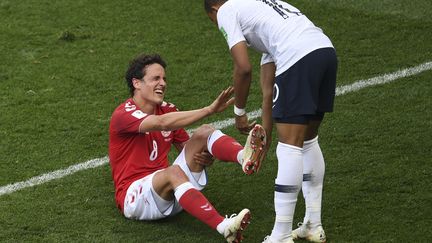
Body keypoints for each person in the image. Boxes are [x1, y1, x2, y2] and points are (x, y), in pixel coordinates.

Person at [204, 0, 338, 242]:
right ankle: (312, 224)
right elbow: (268, 91)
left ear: (213, 11)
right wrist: (264, 136)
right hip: (325, 53)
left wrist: (239, 112)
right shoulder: (264, 16)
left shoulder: (224, 9)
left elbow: (242, 68)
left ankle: (281, 235)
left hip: (299, 56)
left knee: (289, 148)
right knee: (307, 141)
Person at [108, 54, 266, 243]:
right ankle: (224, 227)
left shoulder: (168, 109)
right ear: (137, 83)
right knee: (173, 172)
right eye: (155, 79)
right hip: (135, 197)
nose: (163, 83)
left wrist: (207, 155)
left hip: (169, 190)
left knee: (204, 133)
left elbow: (189, 147)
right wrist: (209, 110)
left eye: (164, 79)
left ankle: (245, 157)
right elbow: (162, 124)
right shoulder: (124, 114)